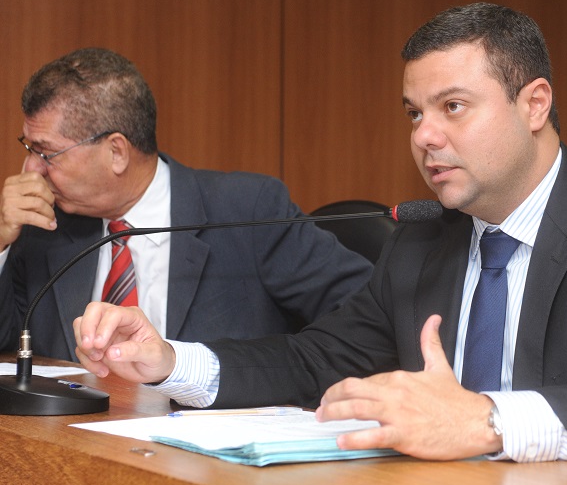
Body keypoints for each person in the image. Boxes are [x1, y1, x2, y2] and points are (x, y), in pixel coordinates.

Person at [74, 4, 567, 485]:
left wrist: (486, 420)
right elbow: (315, 360)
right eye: (414, 113)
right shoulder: (424, 240)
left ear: (534, 104)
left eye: (453, 107)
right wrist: (169, 361)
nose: (424, 136)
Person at [0, 47, 373, 362]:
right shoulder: (44, 225)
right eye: (28, 148)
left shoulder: (248, 210)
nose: (30, 170)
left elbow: (369, 316)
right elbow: (7, 343)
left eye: (46, 153)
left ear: (116, 152)